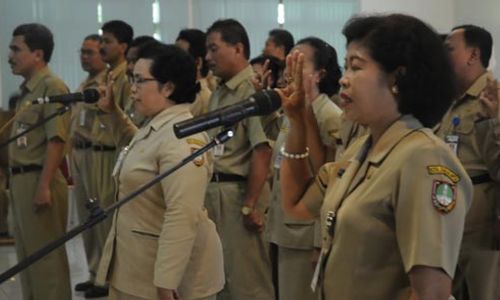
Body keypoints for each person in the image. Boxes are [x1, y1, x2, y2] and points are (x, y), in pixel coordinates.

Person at [277, 14, 473, 299]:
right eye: (345, 67)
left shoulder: (424, 158)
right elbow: (296, 205)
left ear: (397, 77)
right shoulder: (361, 148)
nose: (343, 80)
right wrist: (297, 120)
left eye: (356, 67)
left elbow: (430, 293)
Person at [95, 42, 224, 300]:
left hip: (165, 279)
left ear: (168, 87)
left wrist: (167, 281)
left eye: (140, 81)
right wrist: (112, 113)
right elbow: (141, 153)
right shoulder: (159, 125)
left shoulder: (183, 137)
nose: (132, 89)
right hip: (137, 268)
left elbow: (182, 213)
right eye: (133, 79)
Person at [266, 36, 342, 300]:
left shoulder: (329, 114)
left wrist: (319, 243)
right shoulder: (292, 110)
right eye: (289, 62)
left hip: (305, 234)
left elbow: (329, 182)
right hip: (282, 227)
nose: (289, 70)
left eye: (299, 63)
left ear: (319, 74)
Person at [204, 19, 275, 300]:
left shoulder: (251, 90)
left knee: (248, 282)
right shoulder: (220, 90)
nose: (208, 57)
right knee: (221, 281)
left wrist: (250, 204)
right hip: (215, 193)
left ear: (238, 48)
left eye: (213, 49)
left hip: (238, 196)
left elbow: (262, 149)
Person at [7, 23, 71, 300]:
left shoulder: (52, 87)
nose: (9, 56)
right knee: (27, 259)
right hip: (21, 180)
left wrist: (44, 185)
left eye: (15, 49)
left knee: (46, 261)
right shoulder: (27, 92)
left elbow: (56, 140)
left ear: (38, 54)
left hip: (38, 179)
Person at [439, 24, 500, 300]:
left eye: (450, 49)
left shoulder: (493, 99)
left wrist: (492, 121)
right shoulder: (452, 101)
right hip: (448, 217)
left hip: (480, 228)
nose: (443, 55)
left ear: (473, 55)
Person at [77, 20, 133, 296]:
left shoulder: (124, 78)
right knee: (93, 215)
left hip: (112, 151)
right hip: (91, 150)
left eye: (107, 41)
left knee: (108, 214)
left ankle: (110, 278)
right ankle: (97, 271)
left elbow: (122, 117)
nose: (102, 46)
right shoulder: (99, 78)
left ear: (123, 46)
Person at [70, 33, 107, 298]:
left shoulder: (106, 83)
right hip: (79, 152)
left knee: (100, 214)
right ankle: (93, 271)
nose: (84, 57)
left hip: (98, 153)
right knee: (86, 217)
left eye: (89, 52)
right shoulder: (85, 83)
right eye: (82, 52)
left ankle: (105, 276)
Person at [175, 29, 212, 116]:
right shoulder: (177, 93)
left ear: (198, 62)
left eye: (179, 57)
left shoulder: (203, 98)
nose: (173, 62)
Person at [124, 35, 156, 126]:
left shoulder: (154, 94)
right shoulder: (133, 88)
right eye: (128, 61)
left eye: (134, 61)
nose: (129, 67)